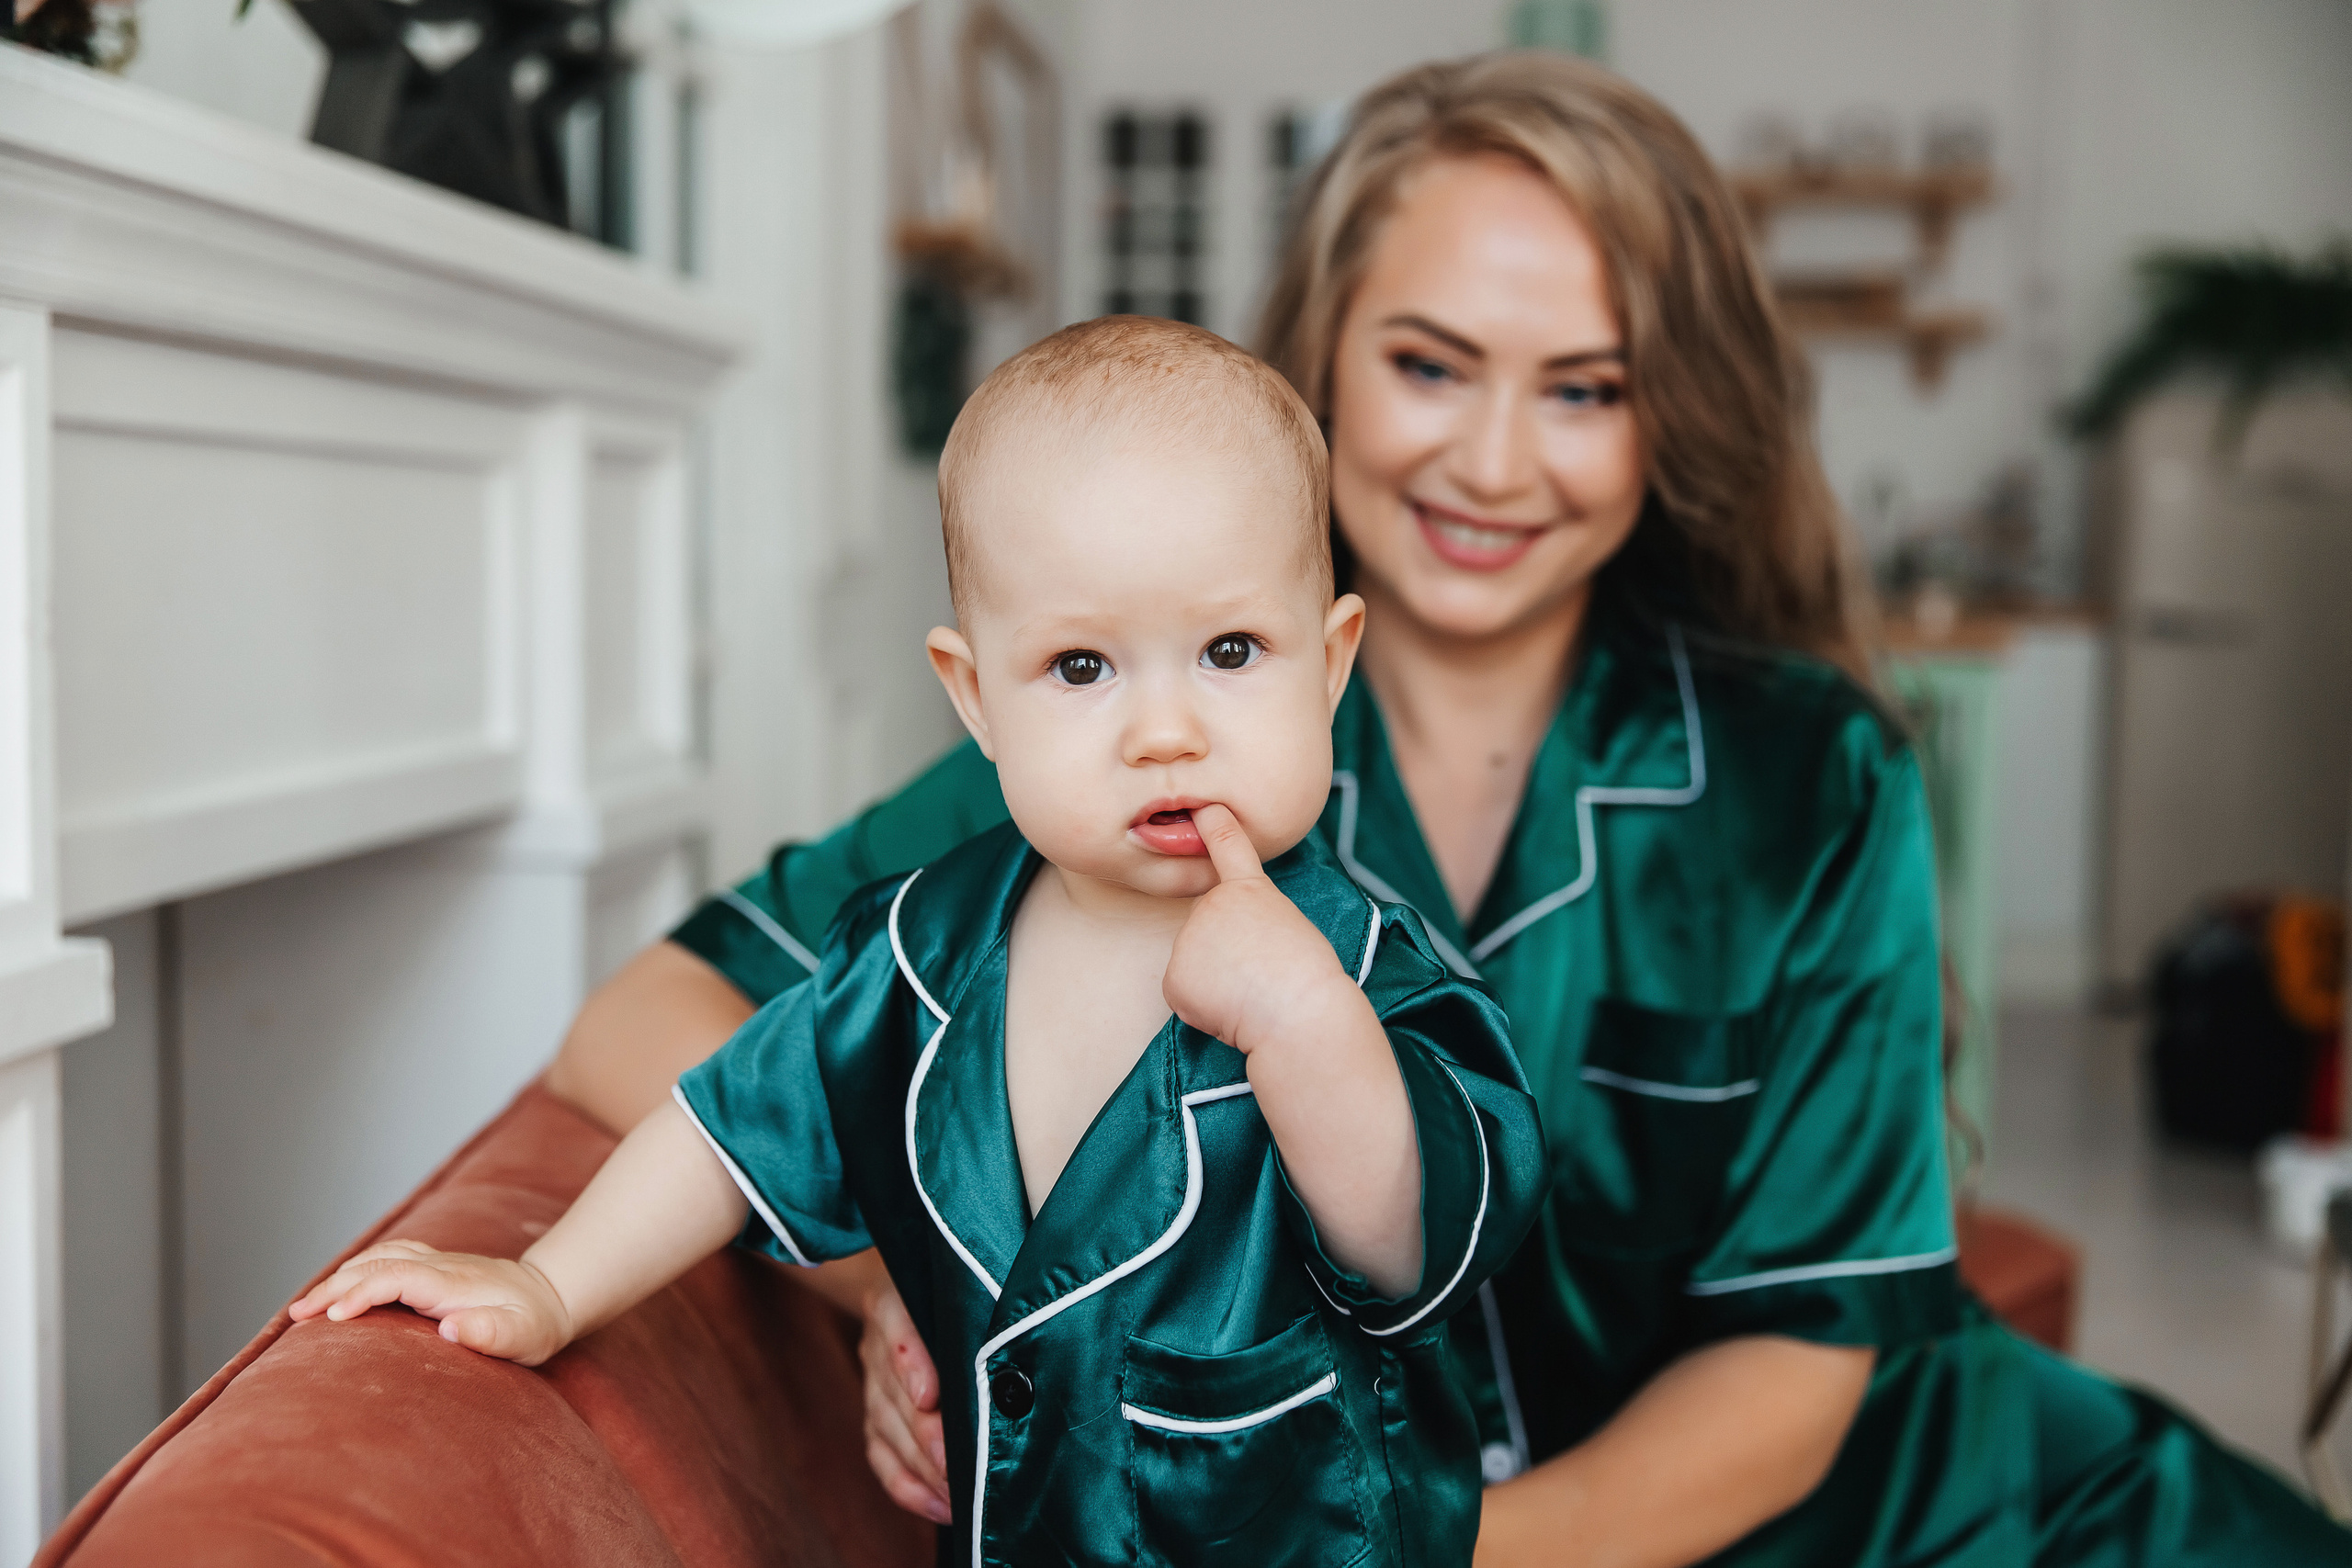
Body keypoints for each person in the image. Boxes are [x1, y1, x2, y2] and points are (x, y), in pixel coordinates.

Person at [548, 52, 2352, 1568]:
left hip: (1938, 1519)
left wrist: (1404, 1545)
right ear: (1319, 361)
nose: (1493, 461)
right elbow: (647, 1019)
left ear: (1668, 424)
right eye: (1426, 365)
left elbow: (1805, 1358)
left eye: (1582, 390)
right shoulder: (1114, 766)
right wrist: (907, 1297)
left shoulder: (1812, 777)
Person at [292, 318, 1546, 1567]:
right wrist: (552, 1288)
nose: (1164, 729)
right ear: (975, 697)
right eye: (1078, 667)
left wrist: (1306, 1024)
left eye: (1230, 652)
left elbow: (1415, 1241)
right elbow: (727, 1133)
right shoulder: (917, 955)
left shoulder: (1373, 973)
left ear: (1328, 668)